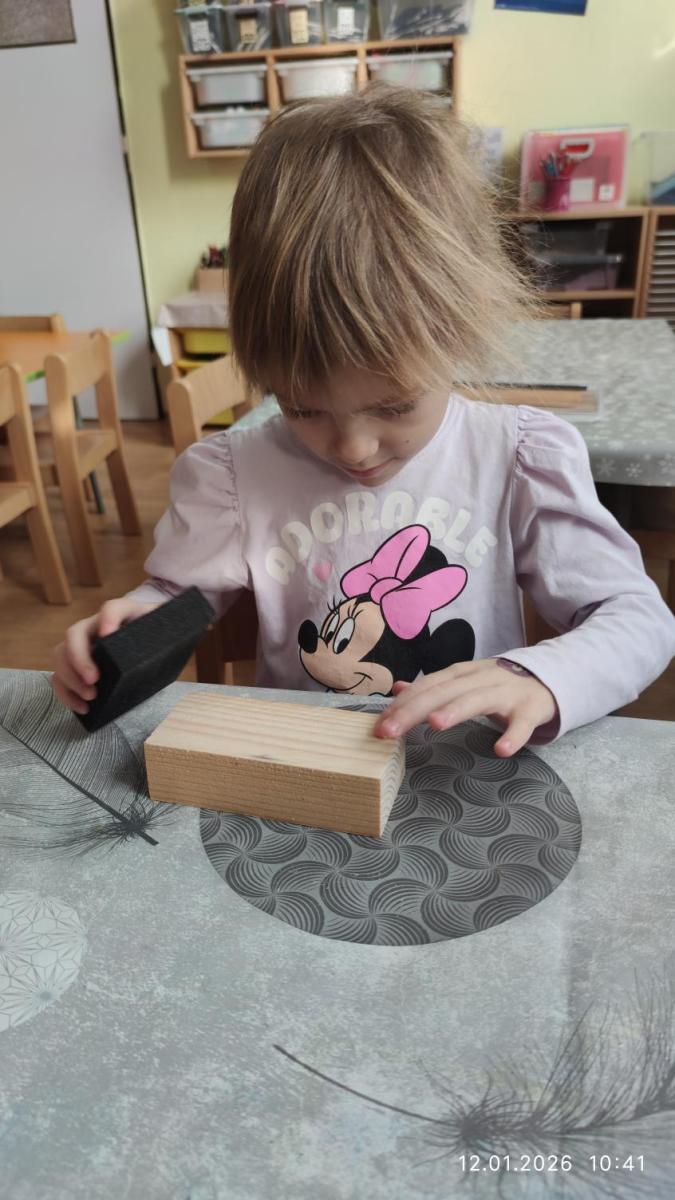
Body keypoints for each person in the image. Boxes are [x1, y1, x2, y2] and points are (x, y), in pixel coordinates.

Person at [51, 85, 675, 756]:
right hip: (303, 768)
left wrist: (541, 678)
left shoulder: (516, 457)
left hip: (460, 774)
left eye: (395, 405)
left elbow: (638, 619)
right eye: (301, 407)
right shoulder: (233, 477)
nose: (352, 447)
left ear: (461, 335)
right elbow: (179, 600)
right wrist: (130, 629)